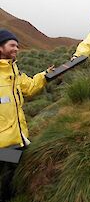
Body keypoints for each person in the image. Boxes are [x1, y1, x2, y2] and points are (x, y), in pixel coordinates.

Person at [0, 29, 52, 201]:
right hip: (1, 143)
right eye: (12, 45)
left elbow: (29, 87)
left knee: (11, 177)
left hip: (15, 138)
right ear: (1, 48)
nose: (16, 48)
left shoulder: (13, 72)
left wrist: (45, 75)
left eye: (17, 45)